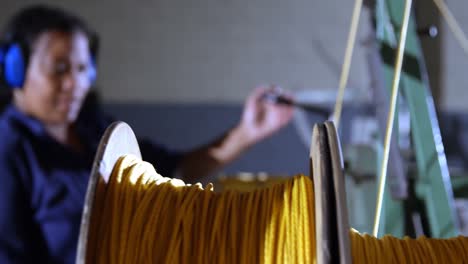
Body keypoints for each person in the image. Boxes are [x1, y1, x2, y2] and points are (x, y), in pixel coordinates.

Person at [0, 4, 294, 264]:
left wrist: (247, 132)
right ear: (16, 69)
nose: (75, 83)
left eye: (82, 69)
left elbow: (171, 173)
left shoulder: (94, 131)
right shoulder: (9, 150)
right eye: (60, 68)